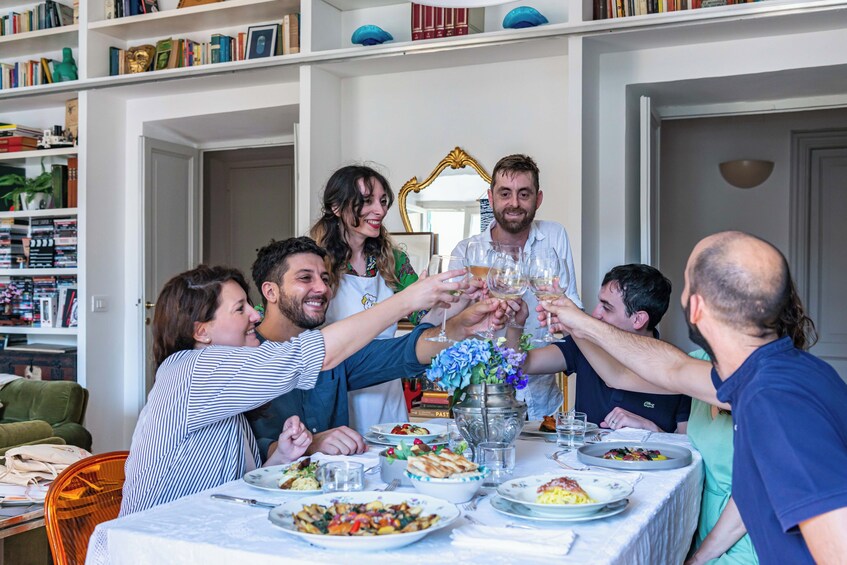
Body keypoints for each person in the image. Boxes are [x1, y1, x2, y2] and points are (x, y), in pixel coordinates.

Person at [539, 231, 847, 564]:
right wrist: (579, 323)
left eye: (687, 285)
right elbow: (669, 368)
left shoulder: (774, 401)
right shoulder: (760, 373)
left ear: (696, 306)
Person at [121, 261, 465, 516]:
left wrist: (283, 455)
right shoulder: (193, 370)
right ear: (202, 332)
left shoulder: (224, 374)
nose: (254, 315)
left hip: (205, 526)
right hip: (158, 537)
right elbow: (315, 353)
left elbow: (231, 475)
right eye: (240, 309)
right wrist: (406, 301)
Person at [248, 237, 507, 457]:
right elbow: (245, 448)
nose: (322, 288)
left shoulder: (335, 351)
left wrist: (462, 326)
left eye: (325, 279)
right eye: (306, 278)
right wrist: (310, 445)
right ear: (270, 292)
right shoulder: (241, 356)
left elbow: (404, 352)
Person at [450, 153, 582, 420]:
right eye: (505, 193)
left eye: (524, 194)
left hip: (543, 404)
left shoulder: (554, 236)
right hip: (482, 402)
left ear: (538, 198)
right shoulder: (466, 252)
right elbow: (449, 327)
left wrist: (560, 318)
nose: (514, 203)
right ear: (491, 197)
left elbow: (573, 307)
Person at [309, 165, 425, 434]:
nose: (381, 211)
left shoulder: (393, 262)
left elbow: (427, 318)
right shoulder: (313, 263)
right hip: (338, 396)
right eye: (366, 201)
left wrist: (453, 300)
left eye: (383, 202)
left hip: (389, 395)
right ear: (336, 207)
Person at [511, 264, 690, 433]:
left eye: (607, 307)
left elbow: (691, 450)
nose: (596, 313)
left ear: (638, 319)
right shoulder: (584, 345)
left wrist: (649, 428)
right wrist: (515, 324)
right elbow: (522, 365)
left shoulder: (674, 367)